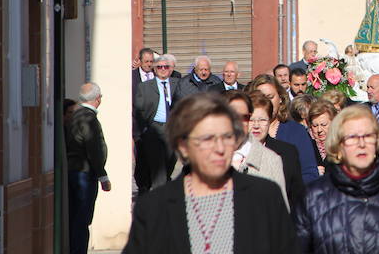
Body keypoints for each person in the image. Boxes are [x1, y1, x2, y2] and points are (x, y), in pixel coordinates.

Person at [122, 93, 297, 253]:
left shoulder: (264, 196)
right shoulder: (154, 208)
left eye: (227, 137)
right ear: (183, 146)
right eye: (208, 138)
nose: (220, 148)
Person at [292, 105, 379, 254]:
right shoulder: (312, 197)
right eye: (352, 137)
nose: (361, 144)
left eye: (368, 136)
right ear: (338, 146)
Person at [248, 74, 319, 184]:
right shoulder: (244, 131)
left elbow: (310, 173)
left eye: (270, 97)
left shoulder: (296, 131)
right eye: (261, 98)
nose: (266, 103)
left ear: (280, 98)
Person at [223, 91, 289, 208]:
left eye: (245, 117)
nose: (238, 122)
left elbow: (281, 216)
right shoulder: (202, 160)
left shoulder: (271, 160)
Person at [67, 83, 111, 254]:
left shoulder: (77, 116)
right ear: (98, 98)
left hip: (76, 171)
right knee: (82, 219)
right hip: (84, 173)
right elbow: (94, 148)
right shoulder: (88, 118)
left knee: (77, 218)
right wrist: (103, 175)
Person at [249, 92, 305, 208]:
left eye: (262, 120)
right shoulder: (233, 153)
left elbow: (297, 197)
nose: (256, 125)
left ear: (270, 121)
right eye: (251, 120)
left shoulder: (287, 153)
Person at [133, 55, 180, 192]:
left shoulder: (178, 84)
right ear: (154, 69)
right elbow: (139, 110)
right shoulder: (145, 87)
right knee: (157, 164)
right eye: (159, 67)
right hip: (154, 127)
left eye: (166, 67)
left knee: (171, 159)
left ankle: (163, 184)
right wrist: (142, 131)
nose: (163, 69)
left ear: (171, 69)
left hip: (172, 129)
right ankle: (161, 194)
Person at [307, 100, 337, 175]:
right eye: (315, 126)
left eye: (324, 125)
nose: (319, 130)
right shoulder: (306, 146)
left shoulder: (342, 145)